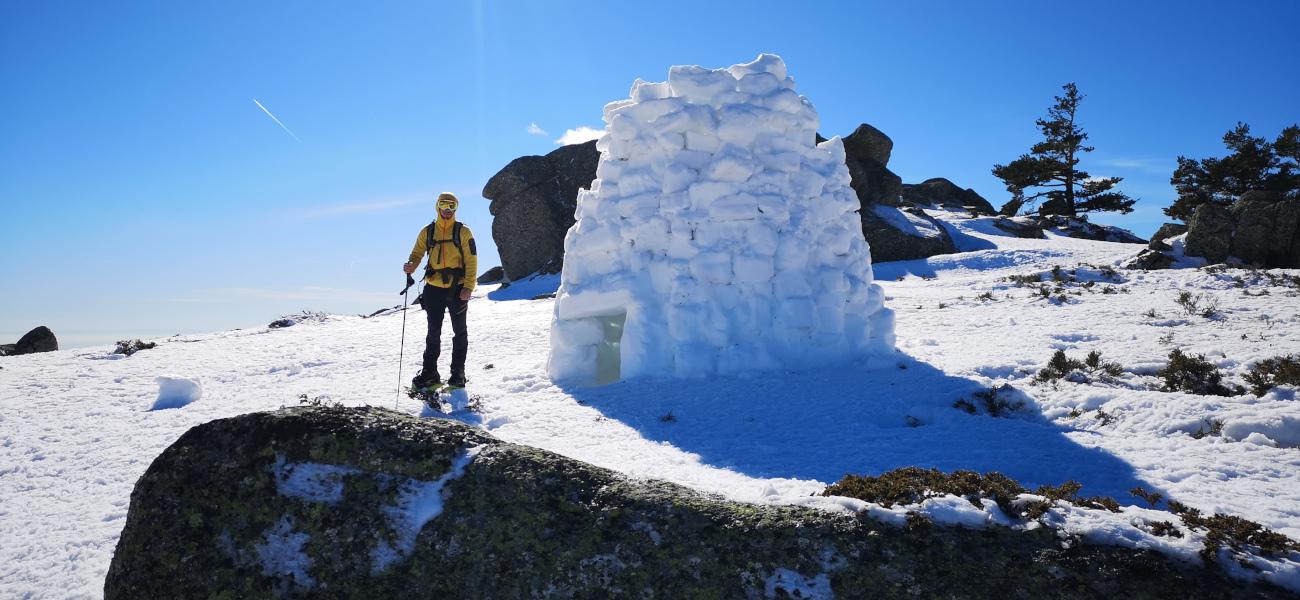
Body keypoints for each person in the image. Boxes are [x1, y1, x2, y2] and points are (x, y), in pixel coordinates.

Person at [403, 192, 478, 389]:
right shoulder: (427, 231)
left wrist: (468, 287)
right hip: (433, 289)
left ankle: (457, 376)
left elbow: (471, 260)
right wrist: (412, 264)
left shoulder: (463, 232)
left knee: (459, 332)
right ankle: (430, 374)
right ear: (437, 206)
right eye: (444, 205)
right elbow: (418, 252)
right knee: (433, 332)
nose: (447, 210)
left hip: (458, 289)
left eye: (451, 206)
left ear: (456, 209)